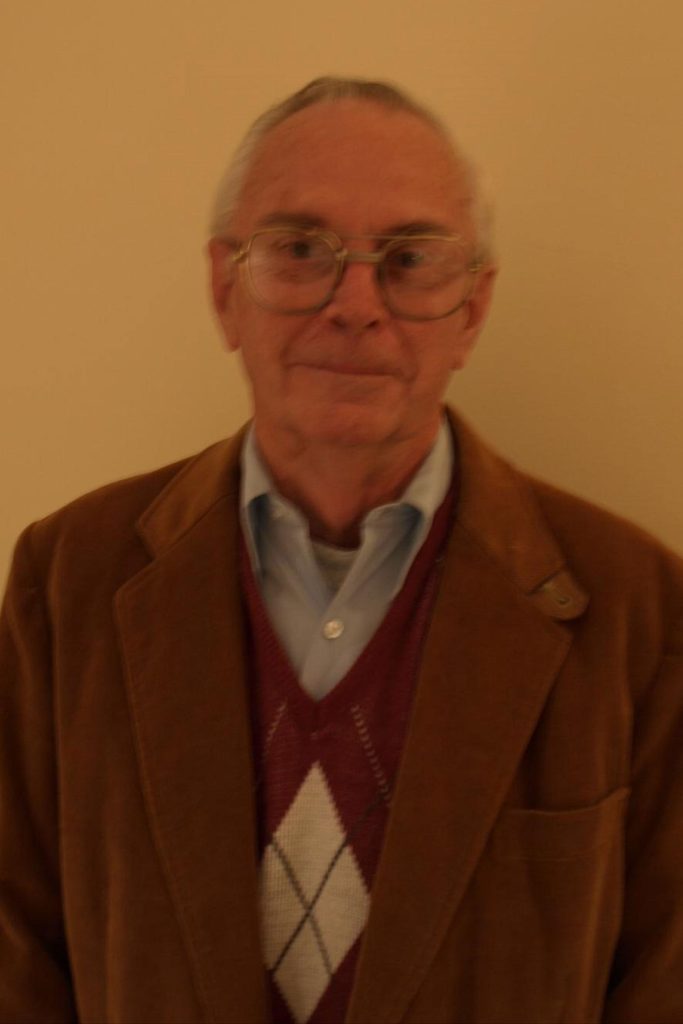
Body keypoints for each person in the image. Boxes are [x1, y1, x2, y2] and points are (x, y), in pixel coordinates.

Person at [0, 76, 682, 1024]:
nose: (355, 303)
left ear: (474, 309)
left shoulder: (635, 608)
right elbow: (16, 954)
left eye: (409, 259)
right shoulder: (65, 581)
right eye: (298, 249)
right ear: (222, 287)